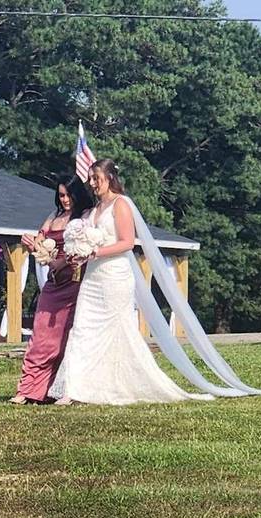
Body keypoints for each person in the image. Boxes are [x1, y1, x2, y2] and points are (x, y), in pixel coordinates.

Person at [51, 159, 212, 405]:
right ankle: (74, 389)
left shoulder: (121, 204)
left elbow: (127, 242)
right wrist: (79, 250)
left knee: (116, 331)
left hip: (114, 275)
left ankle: (113, 384)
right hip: (93, 277)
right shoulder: (93, 210)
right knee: (82, 329)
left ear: (110, 178)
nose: (92, 184)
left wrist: (94, 252)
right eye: (91, 179)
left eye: (97, 179)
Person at [9, 176, 93, 404]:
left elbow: (82, 247)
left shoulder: (85, 216)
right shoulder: (53, 217)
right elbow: (41, 241)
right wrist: (32, 244)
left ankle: (53, 389)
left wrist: (63, 262)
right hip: (53, 282)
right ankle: (27, 389)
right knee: (41, 336)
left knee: (62, 339)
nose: (65, 200)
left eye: (68, 195)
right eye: (61, 195)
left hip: (74, 282)